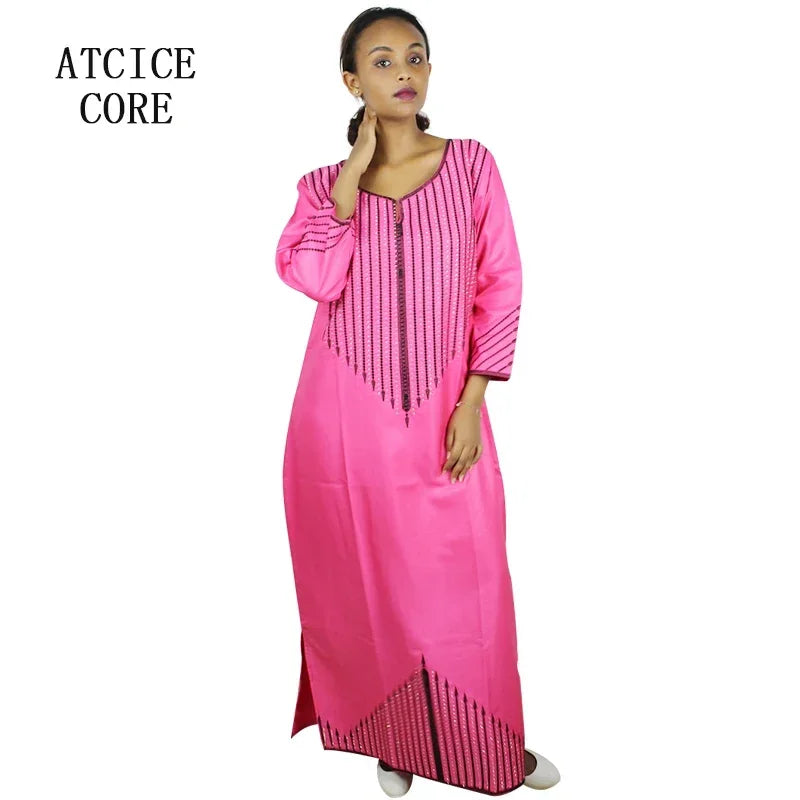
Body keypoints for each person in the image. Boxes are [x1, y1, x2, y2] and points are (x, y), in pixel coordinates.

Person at [275, 8, 560, 796]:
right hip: (343, 426)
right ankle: (394, 739)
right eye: (382, 60)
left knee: (465, 587)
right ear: (351, 81)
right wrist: (350, 177)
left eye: (416, 57)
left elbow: (501, 282)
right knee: (370, 587)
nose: (404, 71)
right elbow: (314, 278)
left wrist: (472, 400)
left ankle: (490, 747)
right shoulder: (320, 189)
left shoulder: (471, 165)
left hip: (443, 415)